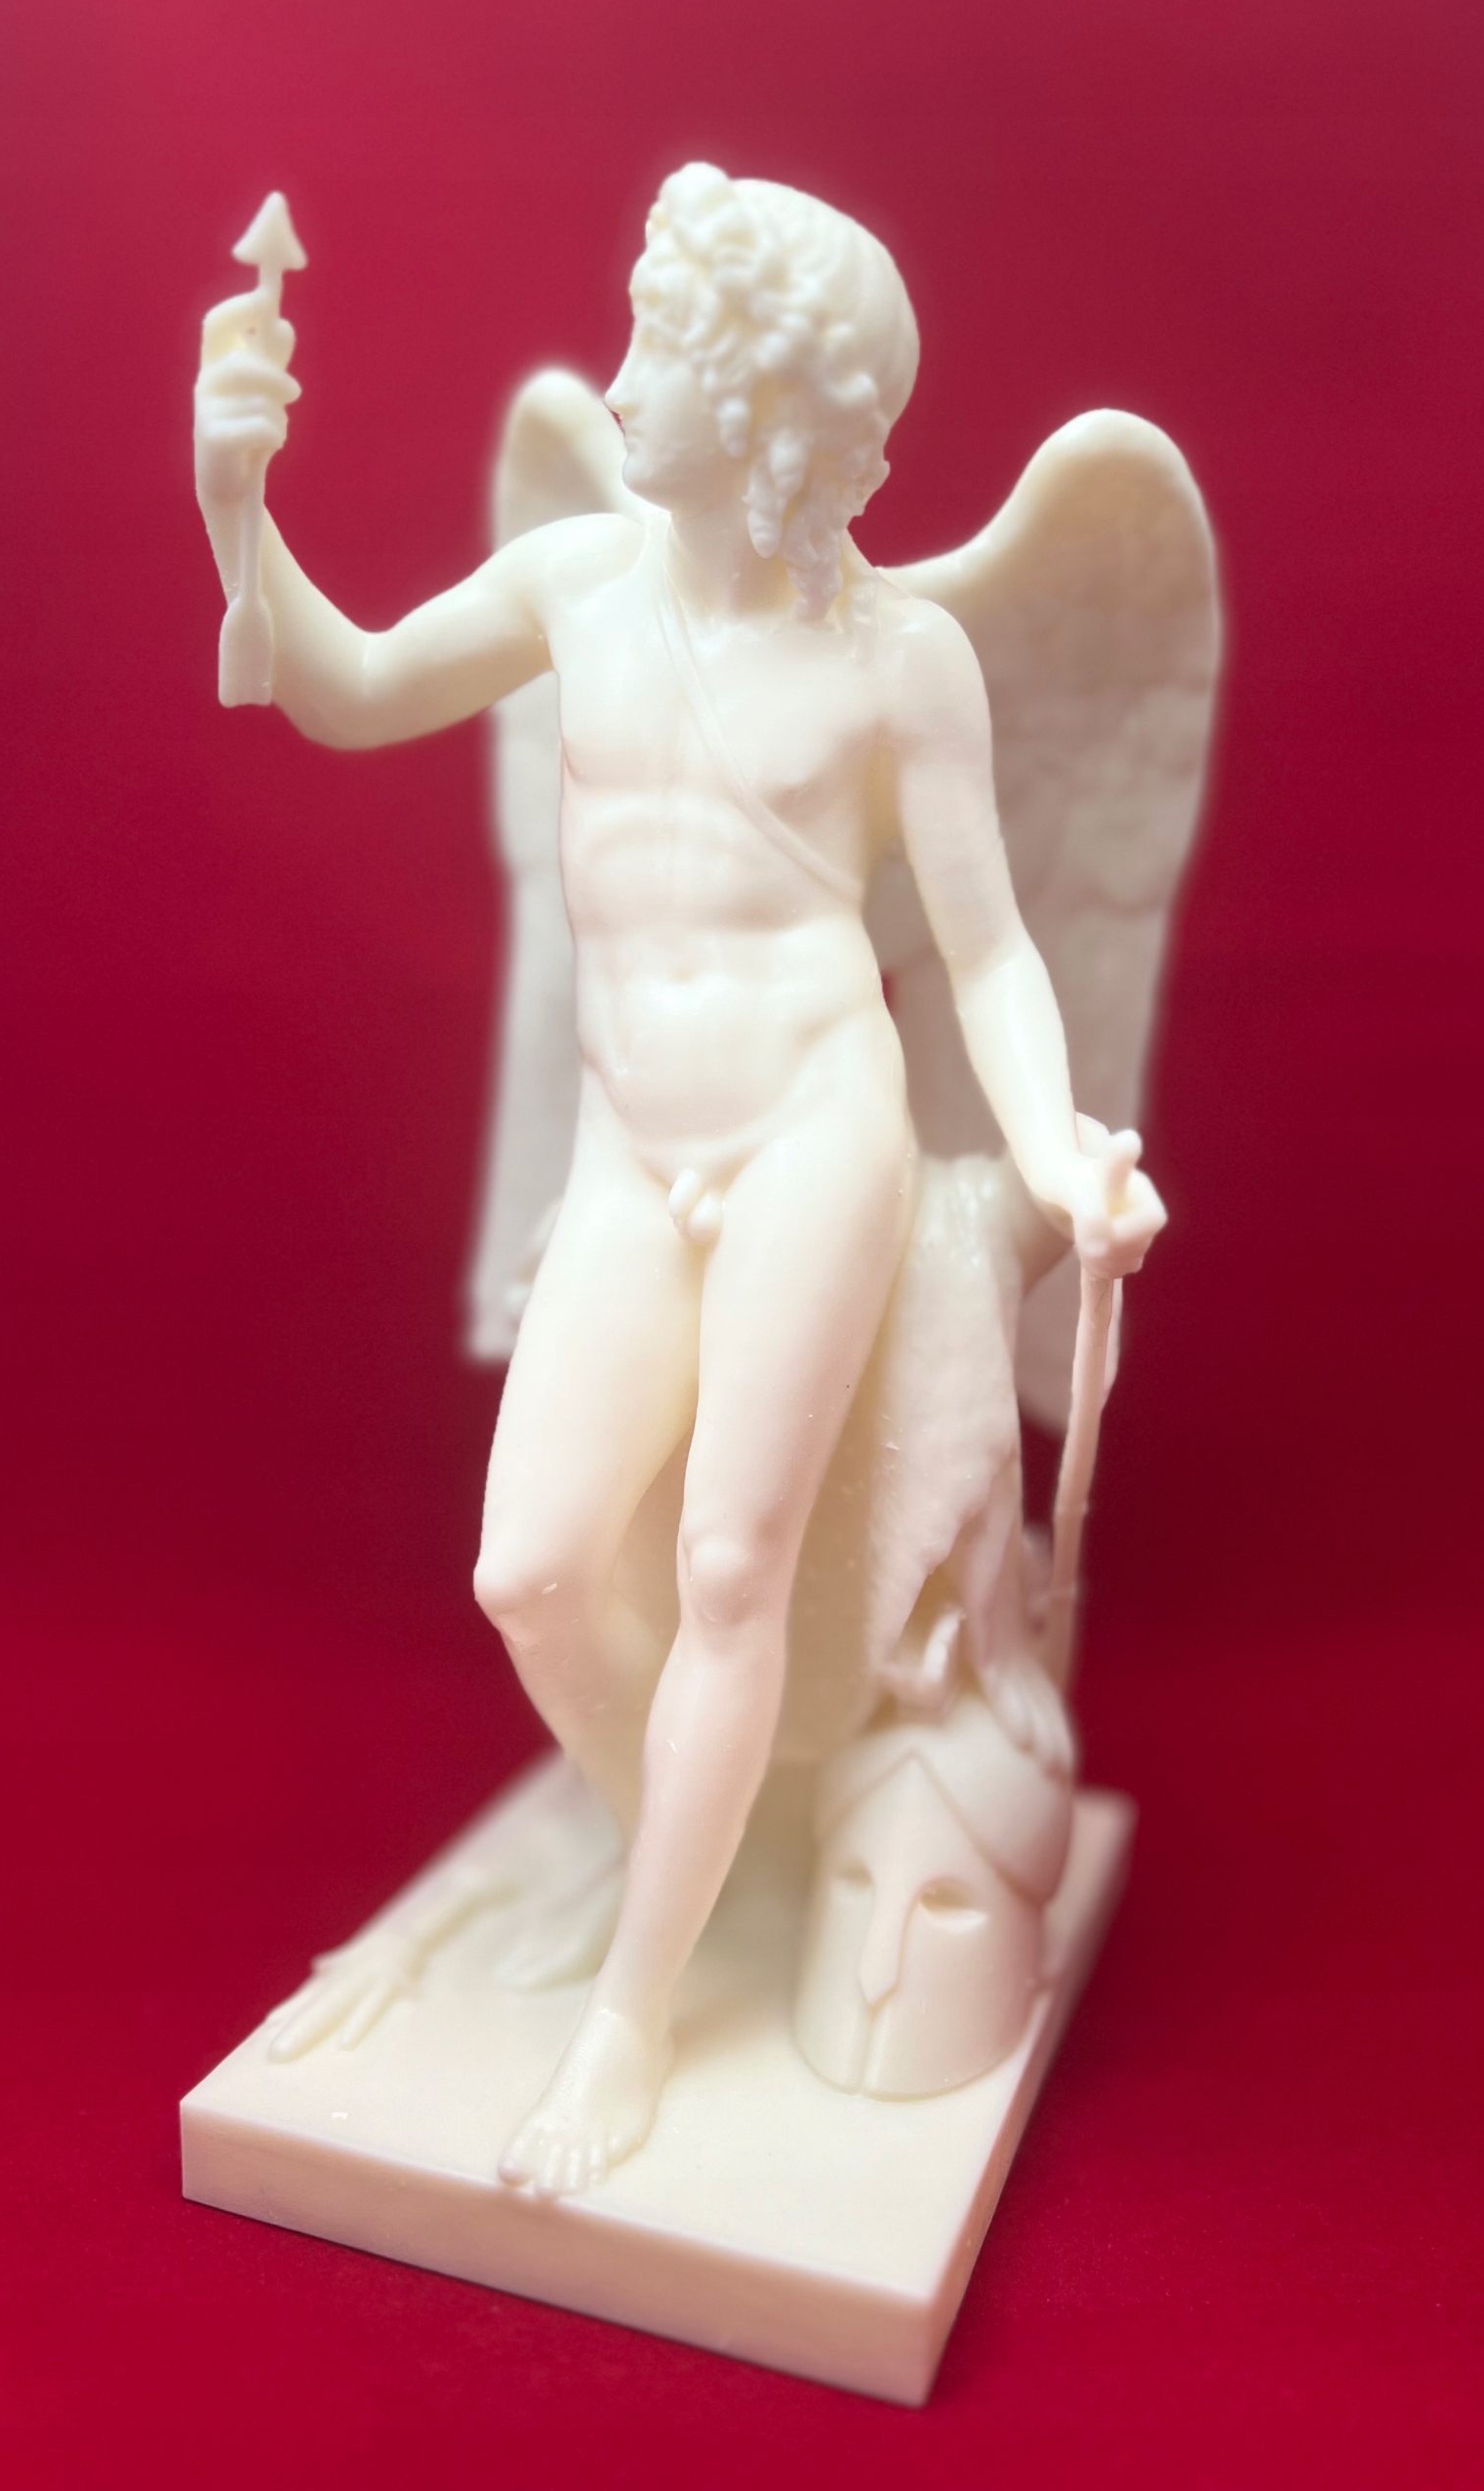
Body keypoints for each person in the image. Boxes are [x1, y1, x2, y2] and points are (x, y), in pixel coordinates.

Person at [194, 163, 1161, 2196]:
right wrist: (235, 505)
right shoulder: (576, 584)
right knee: (536, 1569)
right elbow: (347, 687)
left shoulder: (902, 663)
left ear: (776, 412)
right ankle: (704, 1839)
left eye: (667, 348)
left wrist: (1058, 1146)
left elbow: (990, 948)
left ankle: (634, 2010)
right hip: (636, 1147)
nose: (622, 378)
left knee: (732, 1561)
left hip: (815, 1131)